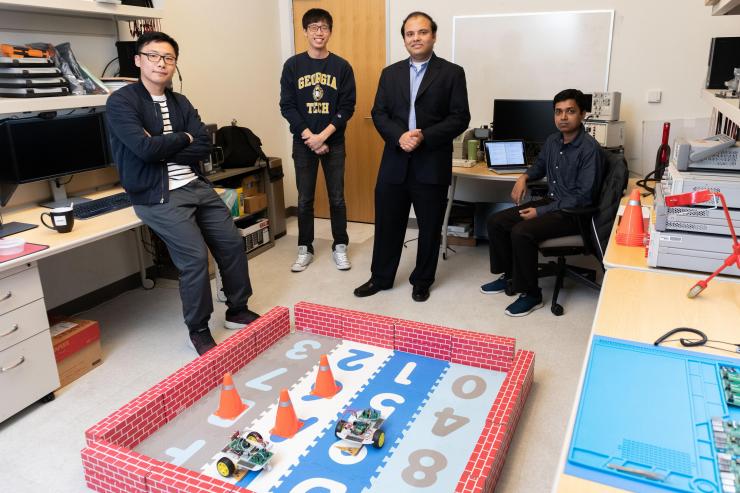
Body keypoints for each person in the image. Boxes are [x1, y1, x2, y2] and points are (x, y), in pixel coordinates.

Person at [105, 31, 259, 356]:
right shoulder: (121, 102)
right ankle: (199, 328)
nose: (161, 63)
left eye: (168, 58)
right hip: (157, 194)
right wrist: (183, 138)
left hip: (194, 184)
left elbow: (203, 144)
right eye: (153, 56)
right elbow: (144, 150)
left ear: (174, 64)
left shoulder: (180, 101)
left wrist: (173, 142)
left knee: (232, 242)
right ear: (138, 60)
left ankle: (236, 309)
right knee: (193, 258)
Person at [354, 11, 470, 302]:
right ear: (404, 38)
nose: (415, 38)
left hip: (431, 163)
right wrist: (399, 136)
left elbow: (460, 117)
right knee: (387, 224)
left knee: (429, 227)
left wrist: (424, 136)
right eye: (410, 33)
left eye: (422, 32)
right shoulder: (390, 73)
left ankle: (422, 280)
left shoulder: (452, 73)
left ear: (433, 36)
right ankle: (381, 278)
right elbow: (379, 113)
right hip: (394, 162)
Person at [481, 89, 603, 317]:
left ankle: (531, 295)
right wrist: (524, 176)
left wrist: (542, 211)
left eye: (570, 111)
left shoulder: (589, 149)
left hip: (573, 213)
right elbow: (539, 166)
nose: (563, 117)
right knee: (497, 221)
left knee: (521, 232)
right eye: (558, 112)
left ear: (583, 114)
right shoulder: (553, 140)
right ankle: (510, 277)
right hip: (554, 203)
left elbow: (583, 197)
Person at [280, 8, 356, 273]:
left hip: (333, 142)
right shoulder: (292, 65)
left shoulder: (342, 67)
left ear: (330, 32)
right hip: (303, 143)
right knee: (304, 199)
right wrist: (309, 137)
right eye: (313, 27)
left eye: (324, 27)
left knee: (337, 198)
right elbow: (287, 106)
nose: (319, 32)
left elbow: (347, 107)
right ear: (305, 32)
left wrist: (323, 136)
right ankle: (305, 248)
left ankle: (340, 246)